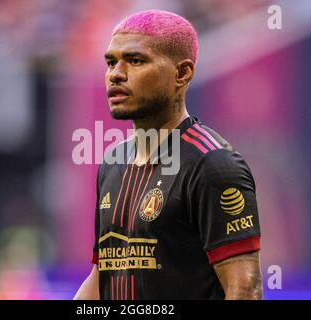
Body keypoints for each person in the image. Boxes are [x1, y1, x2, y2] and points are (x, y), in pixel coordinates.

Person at [74, 9, 262, 300]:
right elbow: (103, 275)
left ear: (182, 73)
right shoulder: (112, 163)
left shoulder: (212, 164)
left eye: (135, 61)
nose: (116, 74)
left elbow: (244, 288)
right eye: (111, 62)